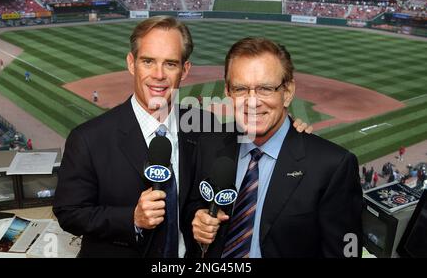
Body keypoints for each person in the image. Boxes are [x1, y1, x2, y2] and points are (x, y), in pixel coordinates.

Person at [53, 16, 311, 258]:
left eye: (171, 63)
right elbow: (69, 212)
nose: (159, 75)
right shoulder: (89, 138)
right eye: (148, 61)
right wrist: (131, 218)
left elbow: (253, 135)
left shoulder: (204, 124)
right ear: (131, 63)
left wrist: (290, 131)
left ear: (185, 70)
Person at [187, 37, 363, 258]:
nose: (252, 102)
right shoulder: (210, 144)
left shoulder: (332, 166)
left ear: (287, 91)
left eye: (265, 88)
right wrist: (198, 217)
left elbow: (347, 252)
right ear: (228, 93)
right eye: (241, 89)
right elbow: (194, 203)